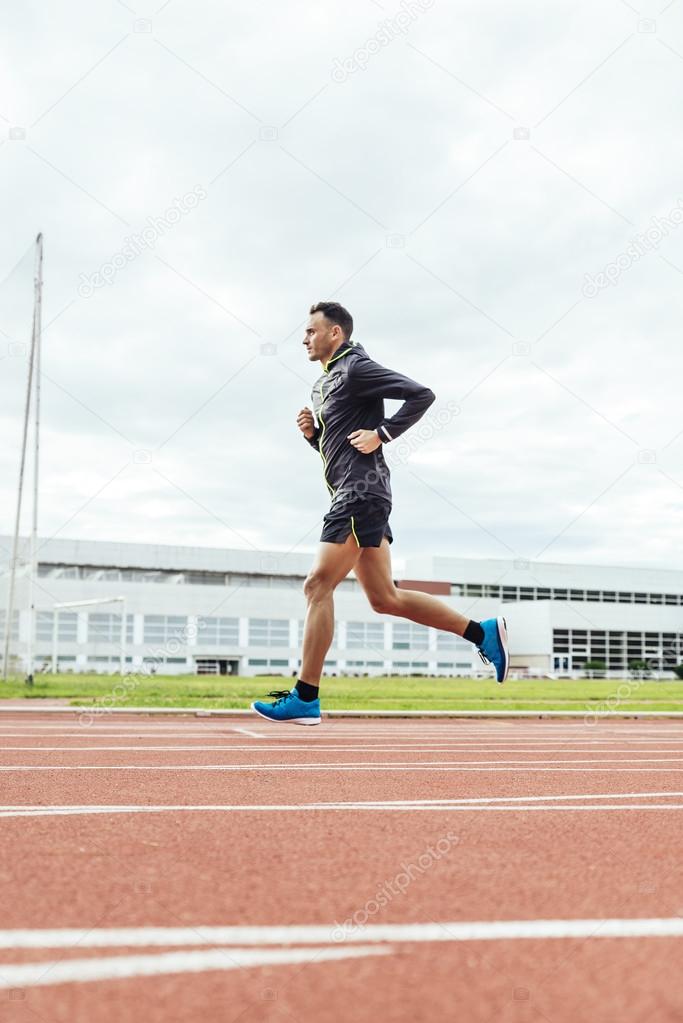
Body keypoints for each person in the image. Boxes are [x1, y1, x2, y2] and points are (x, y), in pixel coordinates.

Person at [252, 301, 509, 724]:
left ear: (335, 333)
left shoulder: (355, 368)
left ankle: (306, 696)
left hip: (358, 494)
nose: (304, 338)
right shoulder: (329, 382)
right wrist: (314, 436)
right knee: (384, 599)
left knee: (318, 585)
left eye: (311, 331)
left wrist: (383, 434)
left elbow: (421, 394)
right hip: (359, 493)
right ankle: (482, 633)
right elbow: (340, 446)